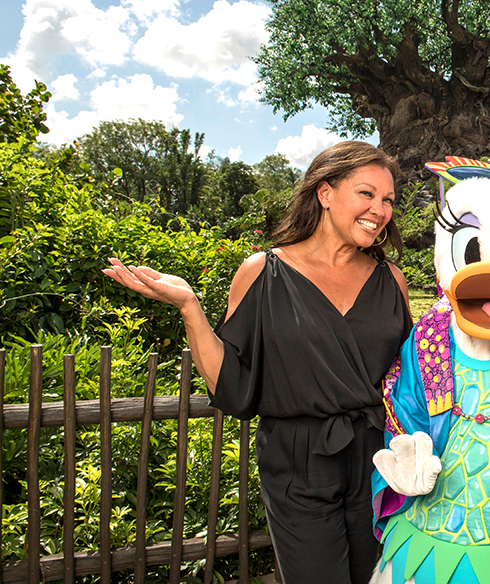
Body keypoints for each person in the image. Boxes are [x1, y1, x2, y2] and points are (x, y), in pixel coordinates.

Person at [103, 140, 412, 584]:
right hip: (296, 462)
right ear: (325, 193)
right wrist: (190, 306)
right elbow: (233, 383)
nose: (379, 209)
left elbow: (417, 380)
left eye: (387, 200)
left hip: (380, 459)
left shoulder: (391, 280)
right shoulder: (262, 273)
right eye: (366, 193)